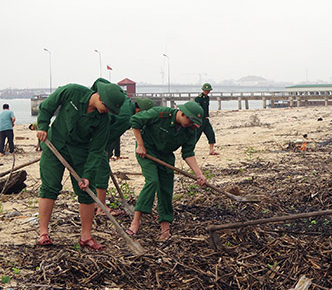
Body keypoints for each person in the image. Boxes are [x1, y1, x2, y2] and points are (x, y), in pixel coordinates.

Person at [35, 81, 126, 250]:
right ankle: (43, 233)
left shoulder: (103, 119)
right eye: (107, 107)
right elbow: (46, 107)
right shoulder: (71, 91)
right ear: (99, 96)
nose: (107, 111)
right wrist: (42, 126)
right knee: (49, 188)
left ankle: (86, 236)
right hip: (55, 145)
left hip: (80, 153)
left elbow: (97, 149)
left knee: (86, 192)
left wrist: (88, 174)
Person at [127, 101, 207, 241]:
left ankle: (165, 228)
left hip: (166, 156)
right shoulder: (160, 113)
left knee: (166, 189)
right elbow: (135, 121)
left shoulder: (190, 129)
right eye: (191, 121)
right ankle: (135, 222)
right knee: (152, 181)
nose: (192, 125)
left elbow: (188, 153)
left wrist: (199, 174)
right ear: (183, 114)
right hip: (147, 151)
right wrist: (140, 145)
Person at [194, 83, 218, 155]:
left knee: (211, 134)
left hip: (206, 119)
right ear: (203, 90)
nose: (207, 92)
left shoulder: (207, 98)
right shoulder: (198, 98)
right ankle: (189, 150)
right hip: (200, 120)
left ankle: (211, 150)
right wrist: (196, 121)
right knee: (196, 136)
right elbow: (196, 109)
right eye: (206, 90)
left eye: (208, 90)